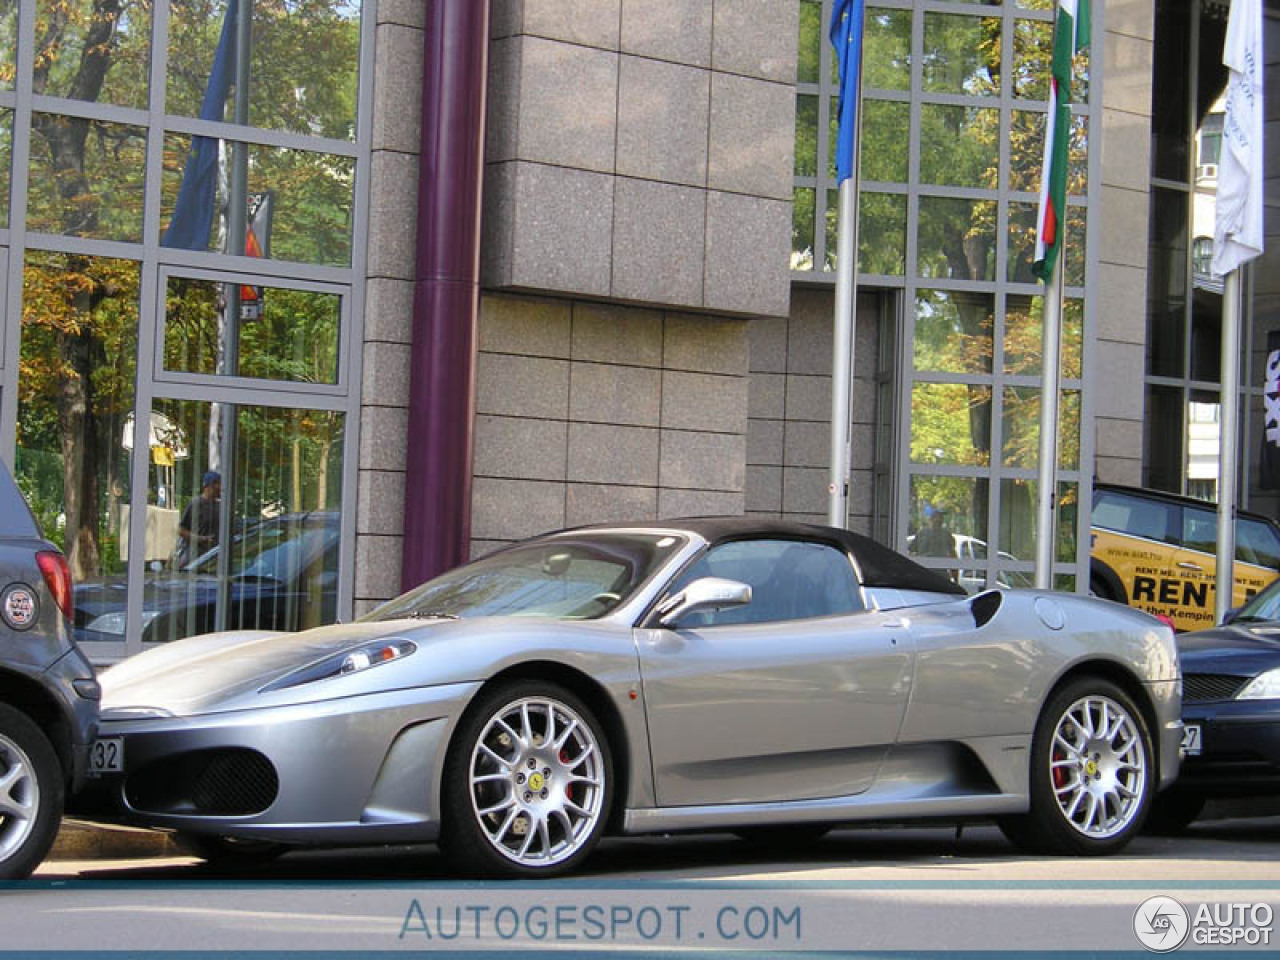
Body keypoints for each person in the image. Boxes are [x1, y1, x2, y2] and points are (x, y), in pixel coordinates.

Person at [174, 470, 221, 568]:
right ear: (209, 485)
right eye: (218, 484)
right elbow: (181, 530)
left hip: (213, 558)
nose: (221, 488)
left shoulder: (220, 506)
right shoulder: (196, 503)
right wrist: (200, 539)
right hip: (194, 557)